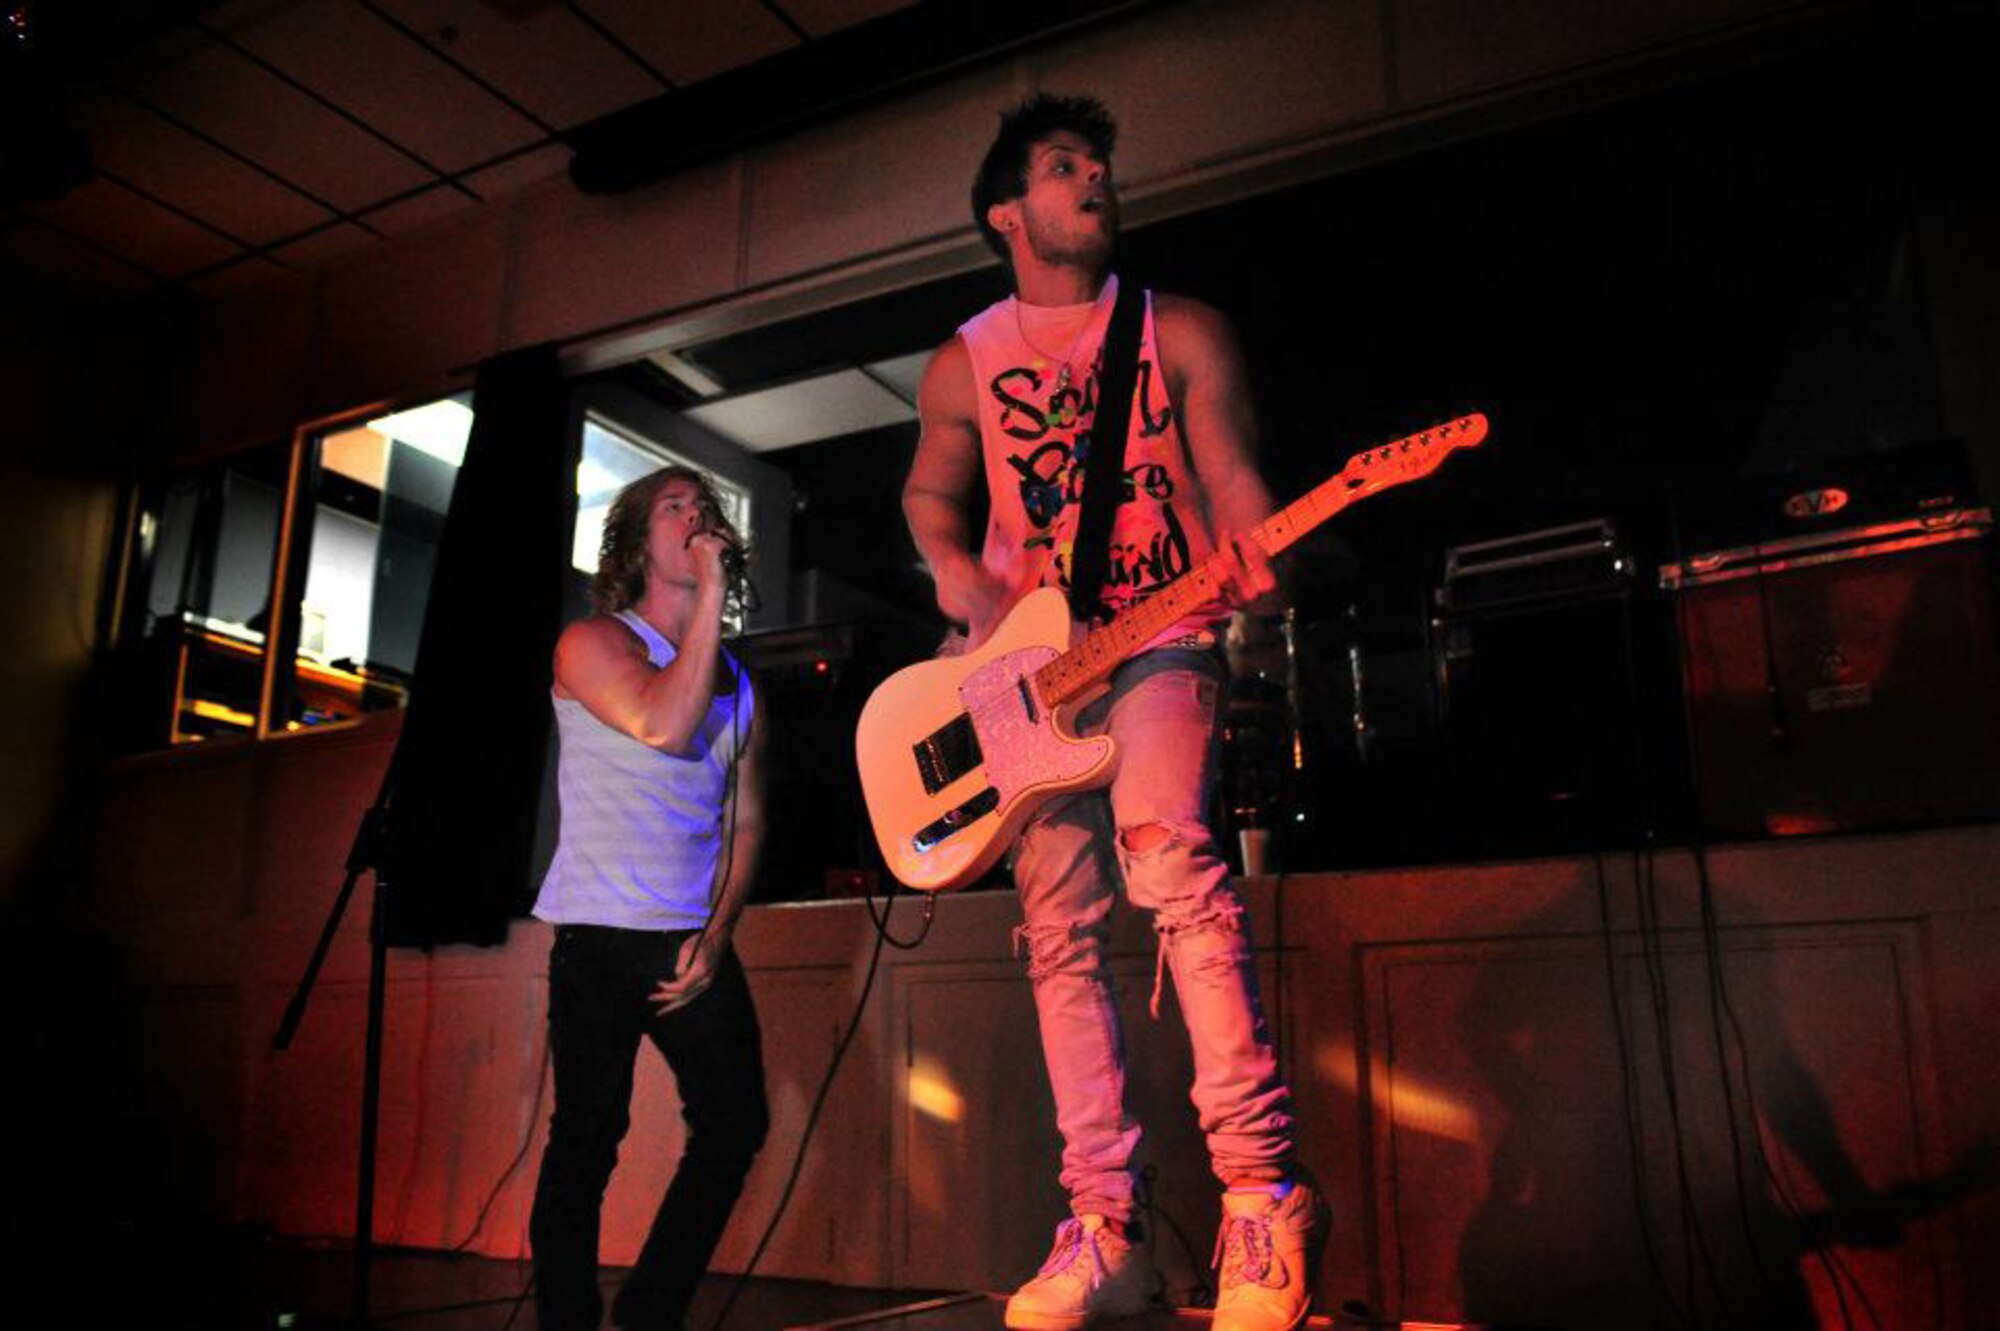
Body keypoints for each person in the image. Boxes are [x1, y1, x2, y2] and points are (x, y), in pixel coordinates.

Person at [902, 94, 1326, 1331]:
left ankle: (1260, 1194)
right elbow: (931, 497)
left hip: (1163, 634)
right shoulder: (961, 359)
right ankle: (1107, 1224)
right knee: (1059, 933)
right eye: (1062, 164)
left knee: (1166, 853)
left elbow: (1240, 484)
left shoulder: (1180, 329)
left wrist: (1263, 551)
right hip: (1028, 671)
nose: (1094, 179)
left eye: (1099, 164)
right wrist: (956, 574)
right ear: (1006, 210)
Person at [527, 466, 768, 1331]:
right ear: (635, 544)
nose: (696, 512)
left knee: (737, 1122)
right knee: (588, 1137)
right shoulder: (591, 643)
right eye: (674, 505)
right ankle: (564, 1318)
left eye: (704, 504)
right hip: (597, 935)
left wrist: (718, 929)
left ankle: (650, 1311)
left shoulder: (737, 682)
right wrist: (710, 595)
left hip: (687, 940)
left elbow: (746, 820)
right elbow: (665, 724)